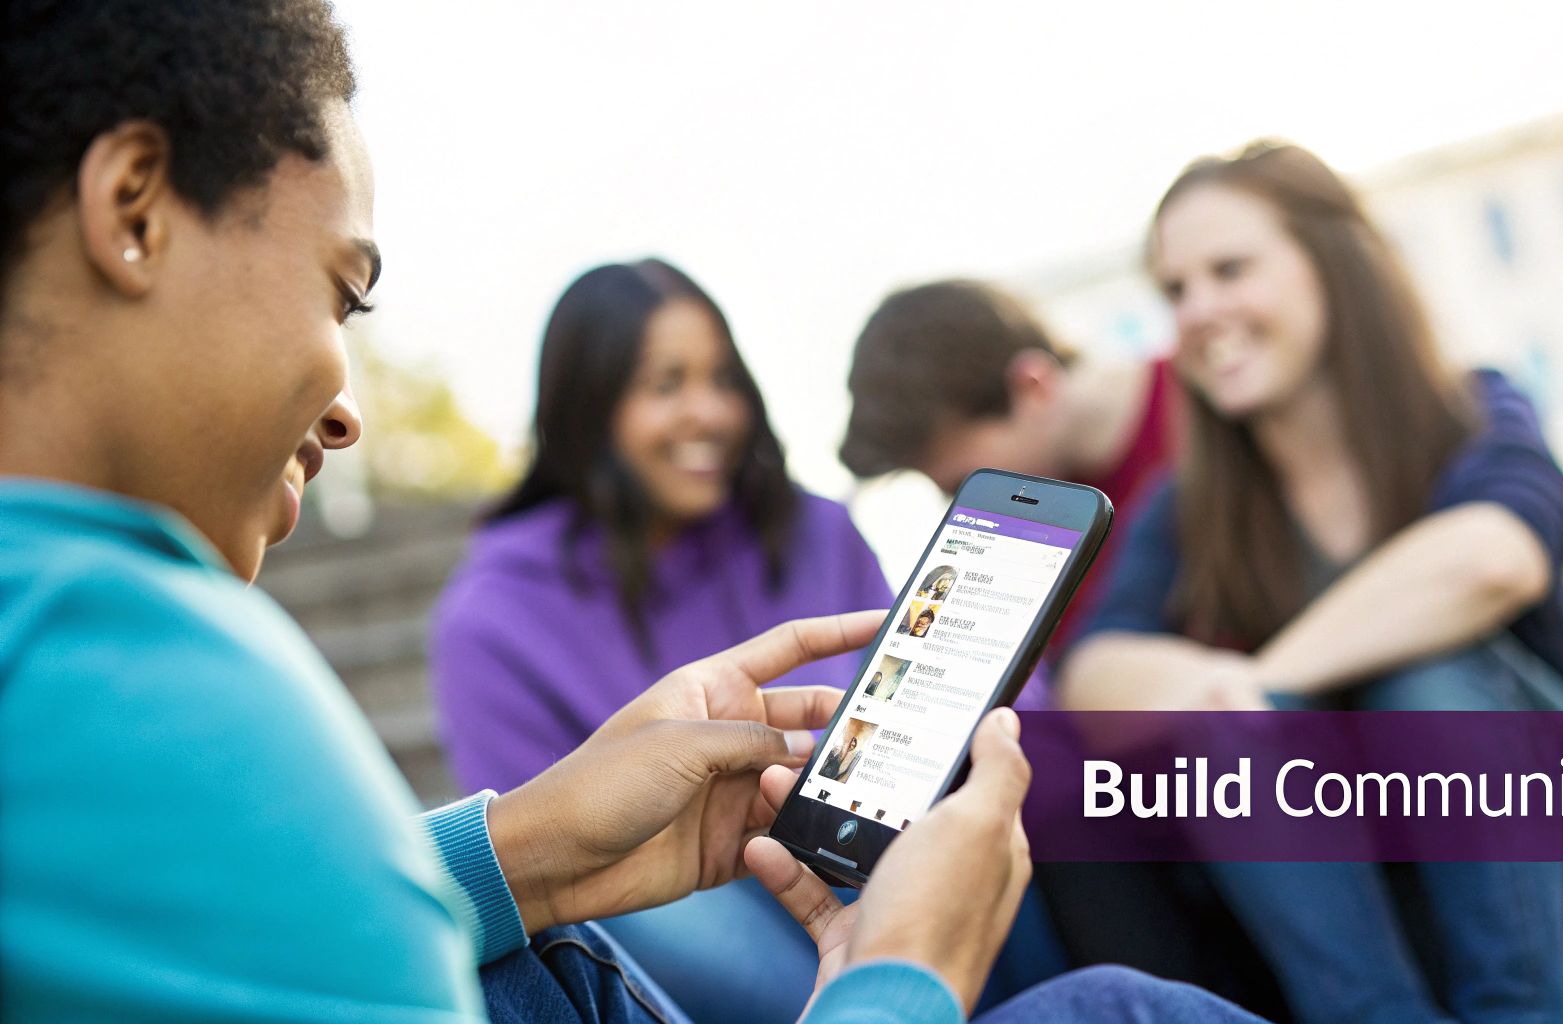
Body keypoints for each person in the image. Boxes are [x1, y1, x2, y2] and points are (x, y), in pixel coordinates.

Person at [0, 5, 1282, 1024]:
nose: (345, 412)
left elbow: (266, 918)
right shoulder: (126, 662)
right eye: (345, 294)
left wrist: (527, 847)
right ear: (134, 209)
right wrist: (902, 975)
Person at [1058, 141, 1563, 1023]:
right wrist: (1227, 699)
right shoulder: (1190, 501)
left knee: (1424, 679)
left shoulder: (1473, 414)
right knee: (1219, 731)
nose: (1199, 311)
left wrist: (1267, 680)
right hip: (1393, 920)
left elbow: (1491, 559)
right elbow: (1096, 674)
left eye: (1230, 269)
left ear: (1334, 262)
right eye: (1177, 290)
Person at [429, 258, 895, 1024]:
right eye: (666, 384)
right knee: (631, 905)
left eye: (723, 379)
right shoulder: (491, 620)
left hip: (892, 852)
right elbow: (539, 870)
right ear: (590, 408)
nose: (709, 412)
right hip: (696, 916)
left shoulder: (816, 528)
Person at [841, 279, 1176, 651]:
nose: (966, 506)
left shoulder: (1212, 412)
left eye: (964, 483)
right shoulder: (1028, 542)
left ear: (1034, 386)